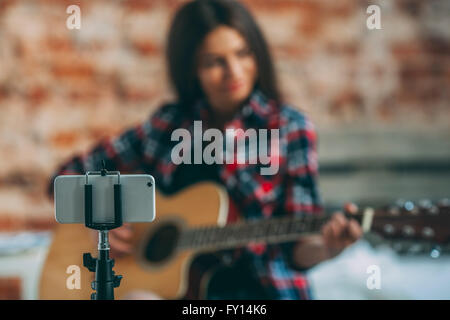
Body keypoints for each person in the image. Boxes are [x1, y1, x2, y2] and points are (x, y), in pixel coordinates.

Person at [48, 0, 362, 300]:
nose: (234, 71)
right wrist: (98, 219)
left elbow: (299, 246)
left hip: (259, 292)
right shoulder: (168, 126)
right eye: (215, 62)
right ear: (191, 69)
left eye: (243, 53)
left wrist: (328, 248)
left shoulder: (290, 127)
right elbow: (66, 176)